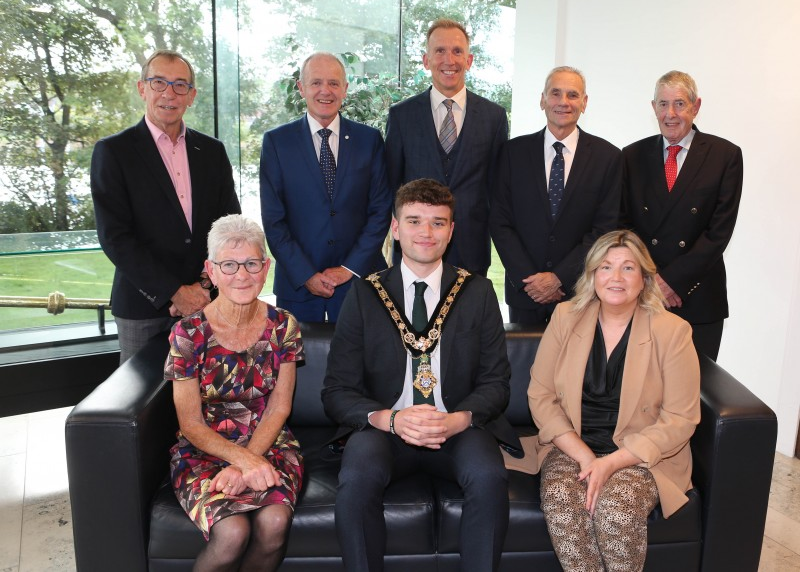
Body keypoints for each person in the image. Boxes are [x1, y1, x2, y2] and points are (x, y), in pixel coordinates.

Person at [322, 179, 520, 572]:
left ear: (452, 230)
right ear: (395, 228)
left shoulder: (478, 292)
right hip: (386, 430)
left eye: (438, 222)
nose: (425, 233)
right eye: (414, 221)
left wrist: (458, 419)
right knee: (357, 478)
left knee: (489, 477)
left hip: (458, 427)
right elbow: (337, 390)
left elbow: (496, 383)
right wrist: (389, 419)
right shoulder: (364, 294)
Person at [528, 229, 700, 572]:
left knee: (615, 509)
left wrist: (609, 464)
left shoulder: (672, 331)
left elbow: (681, 418)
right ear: (592, 276)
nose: (616, 277)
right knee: (564, 501)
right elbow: (540, 394)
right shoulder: (565, 317)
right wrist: (586, 457)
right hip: (571, 446)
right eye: (605, 267)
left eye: (628, 268)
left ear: (645, 279)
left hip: (640, 455)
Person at [164, 214, 303, 571]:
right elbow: (191, 422)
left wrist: (248, 462)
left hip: (268, 442)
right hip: (204, 449)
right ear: (210, 270)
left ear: (266, 267)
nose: (241, 275)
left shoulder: (283, 325)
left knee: (274, 523)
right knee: (232, 533)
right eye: (229, 264)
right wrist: (241, 461)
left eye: (251, 263)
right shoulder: (187, 333)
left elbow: (278, 409)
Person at [91, 49, 241, 364]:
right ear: (142, 88)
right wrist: (174, 291)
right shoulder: (113, 152)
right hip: (142, 306)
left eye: (179, 85)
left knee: (207, 395)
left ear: (192, 95)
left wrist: (203, 284)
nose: (169, 93)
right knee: (141, 402)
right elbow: (115, 236)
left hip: (206, 302)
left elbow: (229, 227)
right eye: (159, 82)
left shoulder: (212, 151)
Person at [260, 52, 392, 323]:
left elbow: (380, 212)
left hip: (359, 282)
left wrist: (348, 269)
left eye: (333, 83)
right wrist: (306, 274)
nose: (325, 91)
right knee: (298, 366)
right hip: (297, 288)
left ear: (345, 88)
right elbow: (274, 221)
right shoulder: (277, 143)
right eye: (316, 82)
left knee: (363, 364)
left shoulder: (369, 140)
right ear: (301, 87)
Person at [622, 70, 743, 361]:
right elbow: (623, 226)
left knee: (694, 392)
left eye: (679, 103)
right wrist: (653, 282)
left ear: (695, 106)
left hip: (699, 295)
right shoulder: (631, 156)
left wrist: (672, 281)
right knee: (641, 390)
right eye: (663, 104)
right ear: (653, 108)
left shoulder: (724, 155)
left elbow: (718, 233)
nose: (670, 114)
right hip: (645, 294)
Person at [490, 66, 621, 324]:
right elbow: (500, 221)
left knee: (577, 365)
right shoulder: (512, 153)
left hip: (578, 293)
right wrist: (529, 279)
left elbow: (605, 229)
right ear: (542, 100)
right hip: (525, 293)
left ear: (584, 103)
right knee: (523, 363)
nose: (563, 102)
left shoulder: (608, 158)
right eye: (555, 93)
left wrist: (559, 277)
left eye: (572, 95)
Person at [385, 18, 508, 276]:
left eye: (457, 51)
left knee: (468, 317)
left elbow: (497, 189)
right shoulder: (401, 116)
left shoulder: (494, 117)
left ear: (469, 60)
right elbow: (391, 186)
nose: (448, 60)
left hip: (471, 249)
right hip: (415, 249)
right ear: (426, 60)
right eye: (439, 51)